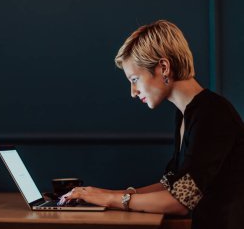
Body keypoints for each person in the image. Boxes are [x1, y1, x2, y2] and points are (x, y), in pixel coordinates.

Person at [58, 20, 244, 229]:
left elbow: (180, 200)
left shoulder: (213, 114)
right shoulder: (187, 113)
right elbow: (171, 184)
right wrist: (102, 195)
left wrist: (110, 199)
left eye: (135, 79)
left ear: (164, 67)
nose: (133, 92)